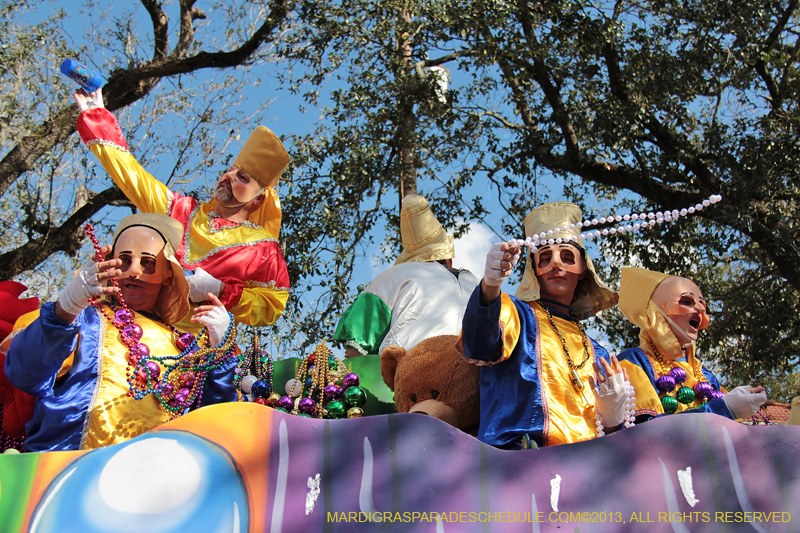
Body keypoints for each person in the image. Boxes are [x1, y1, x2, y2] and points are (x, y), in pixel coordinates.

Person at [4, 214, 238, 452]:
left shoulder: (186, 347)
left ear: (168, 273)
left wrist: (221, 355)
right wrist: (64, 310)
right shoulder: (84, 320)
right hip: (69, 473)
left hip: (156, 481)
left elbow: (213, 431)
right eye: (124, 260)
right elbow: (26, 375)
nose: (133, 272)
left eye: (147, 262)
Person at [73, 89, 291, 328]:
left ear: (258, 200)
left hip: (195, 351)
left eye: (242, 178)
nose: (227, 177)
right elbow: (134, 177)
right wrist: (97, 119)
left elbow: (271, 307)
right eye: (228, 171)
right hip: (134, 326)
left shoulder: (265, 250)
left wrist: (221, 290)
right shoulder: (181, 210)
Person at [458, 201, 625, 449]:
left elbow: (614, 448)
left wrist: (614, 420)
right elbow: (477, 345)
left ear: (583, 267)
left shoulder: (596, 352)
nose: (556, 264)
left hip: (584, 474)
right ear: (533, 269)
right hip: (518, 464)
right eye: (545, 258)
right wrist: (490, 286)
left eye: (567, 256)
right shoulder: (515, 314)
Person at [333, 194, 479, 358]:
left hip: (410, 372)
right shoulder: (477, 283)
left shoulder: (395, 276)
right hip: (479, 375)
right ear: (448, 258)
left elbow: (356, 347)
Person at [616, 267, 766, 421]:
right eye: (687, 301)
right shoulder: (634, 362)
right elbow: (648, 433)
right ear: (655, 313)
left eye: (703, 304)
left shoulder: (705, 376)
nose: (700, 309)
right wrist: (725, 409)